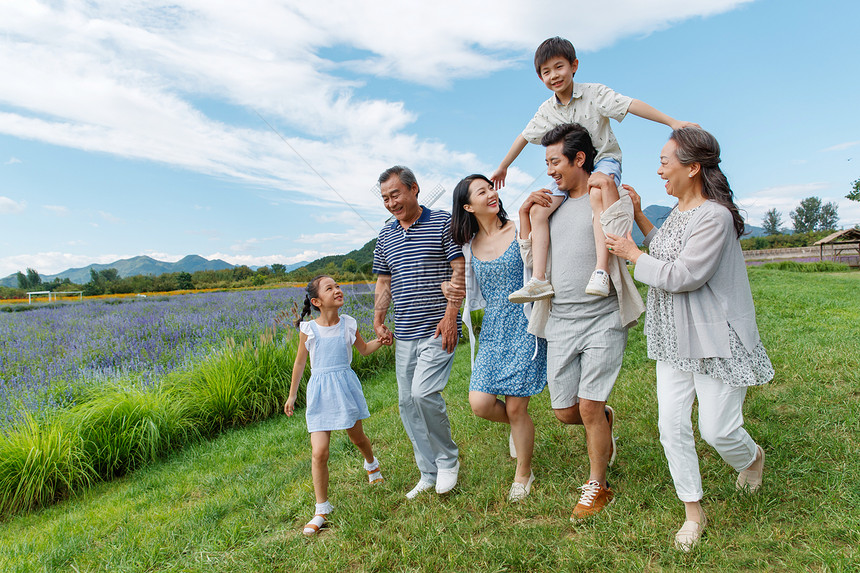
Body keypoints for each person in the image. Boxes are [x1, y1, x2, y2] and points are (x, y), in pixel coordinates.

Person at [605, 127, 774, 552]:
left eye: (666, 162)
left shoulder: (714, 216)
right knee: (671, 425)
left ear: (693, 167)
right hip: (673, 336)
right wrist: (643, 219)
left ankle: (751, 458)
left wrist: (632, 255)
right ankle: (692, 510)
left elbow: (683, 275)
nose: (659, 169)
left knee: (717, 430)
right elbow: (665, 249)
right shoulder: (680, 212)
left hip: (714, 337)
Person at [497, 36, 697, 302]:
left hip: (603, 161)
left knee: (596, 192)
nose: (554, 75)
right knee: (538, 208)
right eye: (546, 72)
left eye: (559, 67)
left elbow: (630, 104)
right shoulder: (546, 110)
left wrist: (672, 122)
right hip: (570, 170)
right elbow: (523, 136)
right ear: (540, 77)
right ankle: (539, 280)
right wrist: (503, 167)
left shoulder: (594, 94)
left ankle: (601, 271)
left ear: (574, 65)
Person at [518, 123, 644, 520]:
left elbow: (621, 230)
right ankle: (604, 421)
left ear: (579, 159)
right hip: (561, 320)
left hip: (602, 316)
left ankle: (598, 484)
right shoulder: (551, 207)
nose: (550, 170)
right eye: (547, 162)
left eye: (555, 161)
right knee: (564, 411)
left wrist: (613, 194)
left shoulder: (604, 196)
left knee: (588, 405)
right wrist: (525, 212)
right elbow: (529, 259)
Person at [447, 173, 547, 502]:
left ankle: (523, 472)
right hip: (492, 328)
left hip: (524, 322)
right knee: (480, 403)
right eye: (482, 191)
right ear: (468, 206)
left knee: (517, 408)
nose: (491, 194)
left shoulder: (518, 228)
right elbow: (462, 287)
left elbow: (537, 262)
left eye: (491, 188)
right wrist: (448, 289)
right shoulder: (468, 246)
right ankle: (520, 432)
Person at [372, 165, 465, 498]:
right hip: (405, 333)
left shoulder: (441, 222)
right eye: (384, 198)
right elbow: (384, 281)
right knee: (406, 404)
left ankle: (448, 461)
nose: (390, 202)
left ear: (414, 189)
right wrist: (379, 317)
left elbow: (458, 269)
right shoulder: (385, 235)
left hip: (438, 327)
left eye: (395, 194)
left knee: (423, 394)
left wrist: (451, 315)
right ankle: (427, 472)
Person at [284, 275, 389, 536]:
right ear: (317, 301)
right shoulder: (308, 330)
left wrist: (383, 341)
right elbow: (299, 364)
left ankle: (371, 464)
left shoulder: (348, 324)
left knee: (358, 438)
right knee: (319, 452)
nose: (338, 290)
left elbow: (363, 350)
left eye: (338, 286)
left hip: (344, 389)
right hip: (319, 392)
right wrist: (292, 395)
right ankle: (322, 508)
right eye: (330, 288)